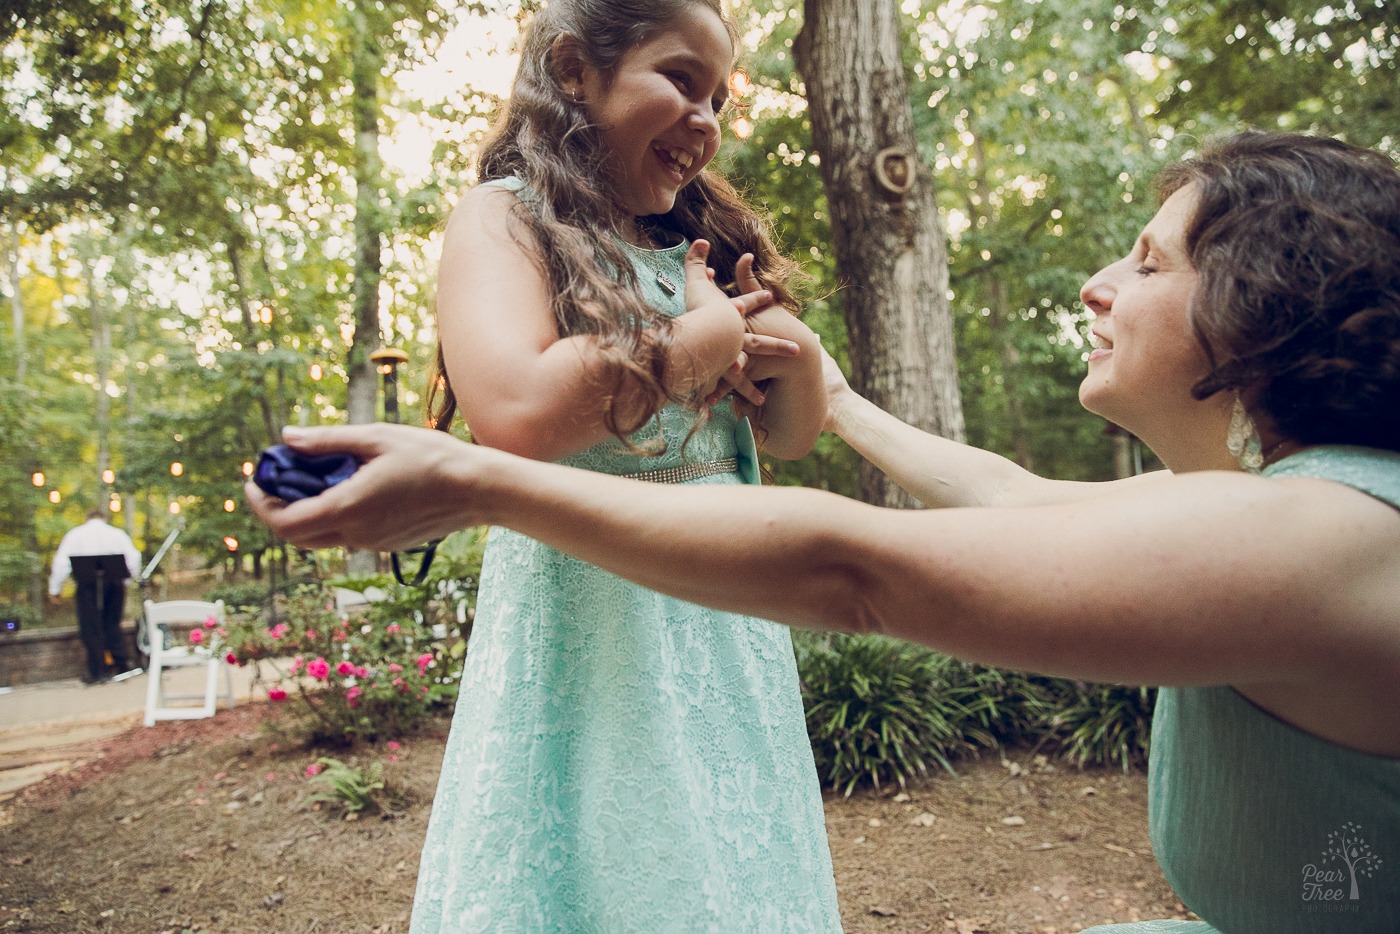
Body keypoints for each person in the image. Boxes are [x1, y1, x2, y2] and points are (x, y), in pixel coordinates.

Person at [251, 131, 1399, 933]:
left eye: (1146, 262)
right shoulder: (1318, 508)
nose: (1100, 283)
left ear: (1257, 308)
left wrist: (478, 482)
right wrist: (840, 404)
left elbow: (851, 568)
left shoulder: (1315, 544)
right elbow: (1008, 494)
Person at [343, 1, 839, 931]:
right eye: (680, 80)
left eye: (720, 96)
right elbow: (520, 413)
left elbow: (788, 438)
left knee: (731, 865)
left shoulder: (693, 248)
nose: (708, 119)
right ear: (576, 69)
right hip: (596, 620)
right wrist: (702, 334)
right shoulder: (503, 220)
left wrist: (797, 360)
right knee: (614, 865)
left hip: (729, 623)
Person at [48, 509, 143, 684]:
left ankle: (97, 669)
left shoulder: (75, 535)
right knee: (112, 623)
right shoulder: (117, 534)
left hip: (88, 585)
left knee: (90, 626)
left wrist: (55, 589)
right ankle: (120, 664)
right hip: (115, 583)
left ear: (87, 518)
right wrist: (127, 579)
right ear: (104, 518)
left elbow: (61, 563)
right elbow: (134, 557)